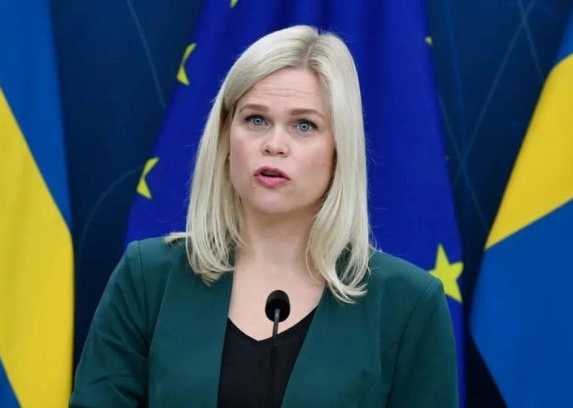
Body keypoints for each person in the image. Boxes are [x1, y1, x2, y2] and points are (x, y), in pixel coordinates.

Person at [70, 25, 457, 407]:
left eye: (304, 125)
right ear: (225, 137)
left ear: (339, 150)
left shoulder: (409, 304)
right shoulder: (149, 277)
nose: (274, 145)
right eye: (256, 120)